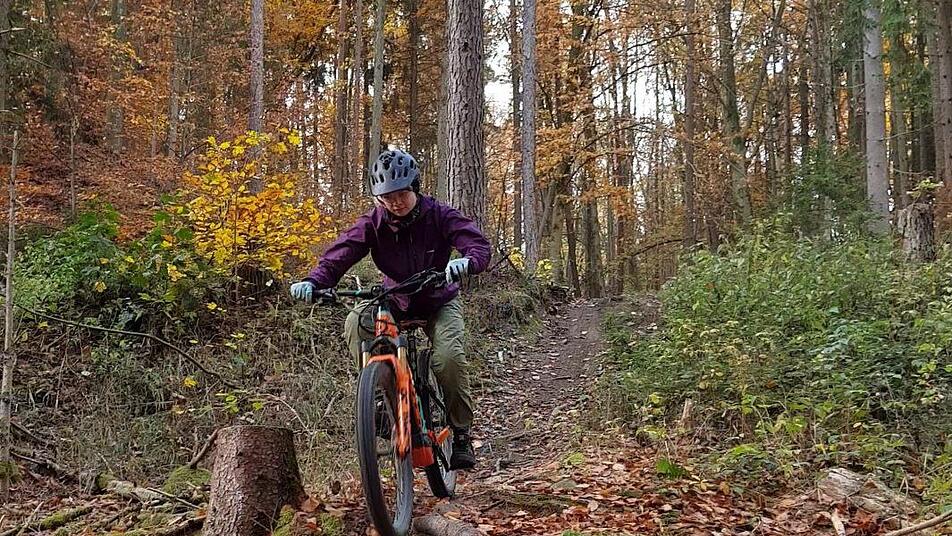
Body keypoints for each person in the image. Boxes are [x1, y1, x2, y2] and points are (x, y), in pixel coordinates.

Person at [289, 149, 491, 470]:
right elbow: (340, 254)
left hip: (438, 299)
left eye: (401, 194)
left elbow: (476, 244)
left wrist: (468, 261)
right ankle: (380, 397)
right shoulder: (373, 222)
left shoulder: (439, 214)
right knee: (357, 321)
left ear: (416, 188)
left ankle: (461, 432)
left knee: (448, 358)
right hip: (395, 297)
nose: (395, 202)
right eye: (386, 197)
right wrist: (314, 281)